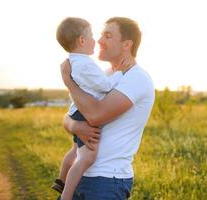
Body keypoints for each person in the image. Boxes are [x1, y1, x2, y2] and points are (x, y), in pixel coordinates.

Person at [60, 17, 155, 200]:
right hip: (82, 174)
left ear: (127, 44)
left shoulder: (136, 79)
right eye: (101, 35)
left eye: (108, 36)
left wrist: (69, 83)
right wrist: (74, 126)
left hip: (106, 181)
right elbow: (71, 114)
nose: (100, 41)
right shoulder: (105, 77)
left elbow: (95, 115)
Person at [53, 17, 125, 200]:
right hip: (83, 114)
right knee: (86, 157)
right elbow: (105, 86)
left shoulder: (75, 62)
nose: (97, 40)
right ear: (82, 41)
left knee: (74, 150)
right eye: (93, 36)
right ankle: (66, 196)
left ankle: (61, 179)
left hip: (77, 111)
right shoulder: (85, 63)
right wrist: (119, 73)